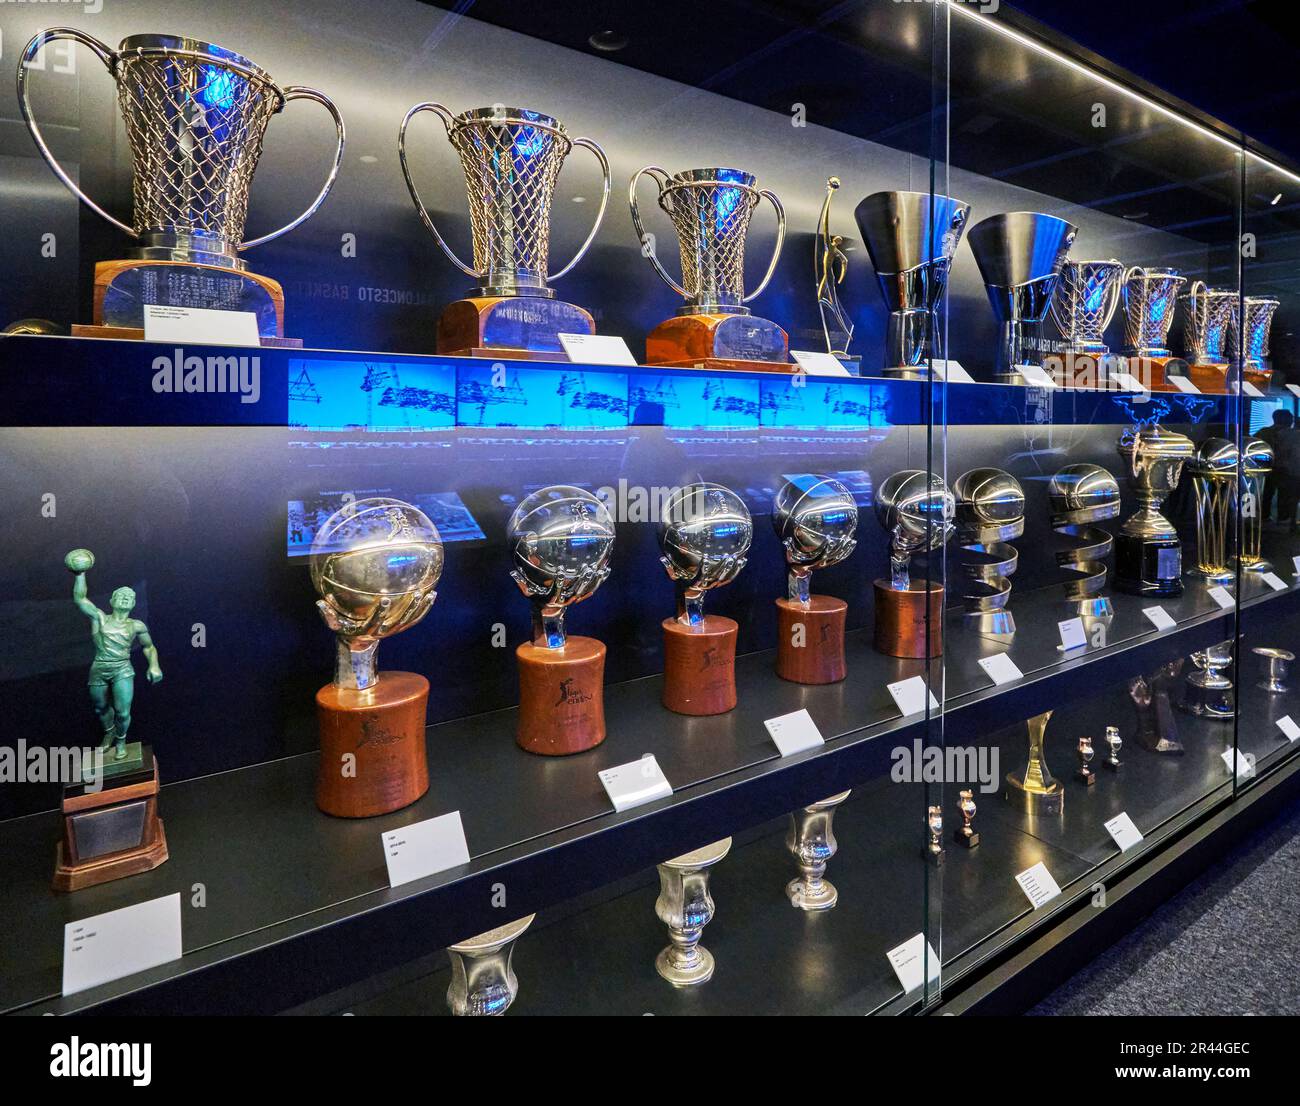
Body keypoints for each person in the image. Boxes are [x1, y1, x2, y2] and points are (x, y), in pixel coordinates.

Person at [67, 551, 163, 759]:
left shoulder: (137, 625)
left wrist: (153, 665)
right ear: (112, 600)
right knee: (100, 708)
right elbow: (80, 598)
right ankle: (109, 734)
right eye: (122, 595)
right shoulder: (99, 618)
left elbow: (149, 647)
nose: (127, 598)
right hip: (100, 667)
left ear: (134, 604)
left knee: (123, 711)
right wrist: (80, 574)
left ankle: (121, 741)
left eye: (131, 597)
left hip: (122, 668)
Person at [1258, 409, 1295, 526]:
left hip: (1268, 468)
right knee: (1285, 494)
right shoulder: (1292, 434)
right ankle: (1283, 518)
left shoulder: (1263, 432)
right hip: (1286, 469)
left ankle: (1264, 517)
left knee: (1267, 493)